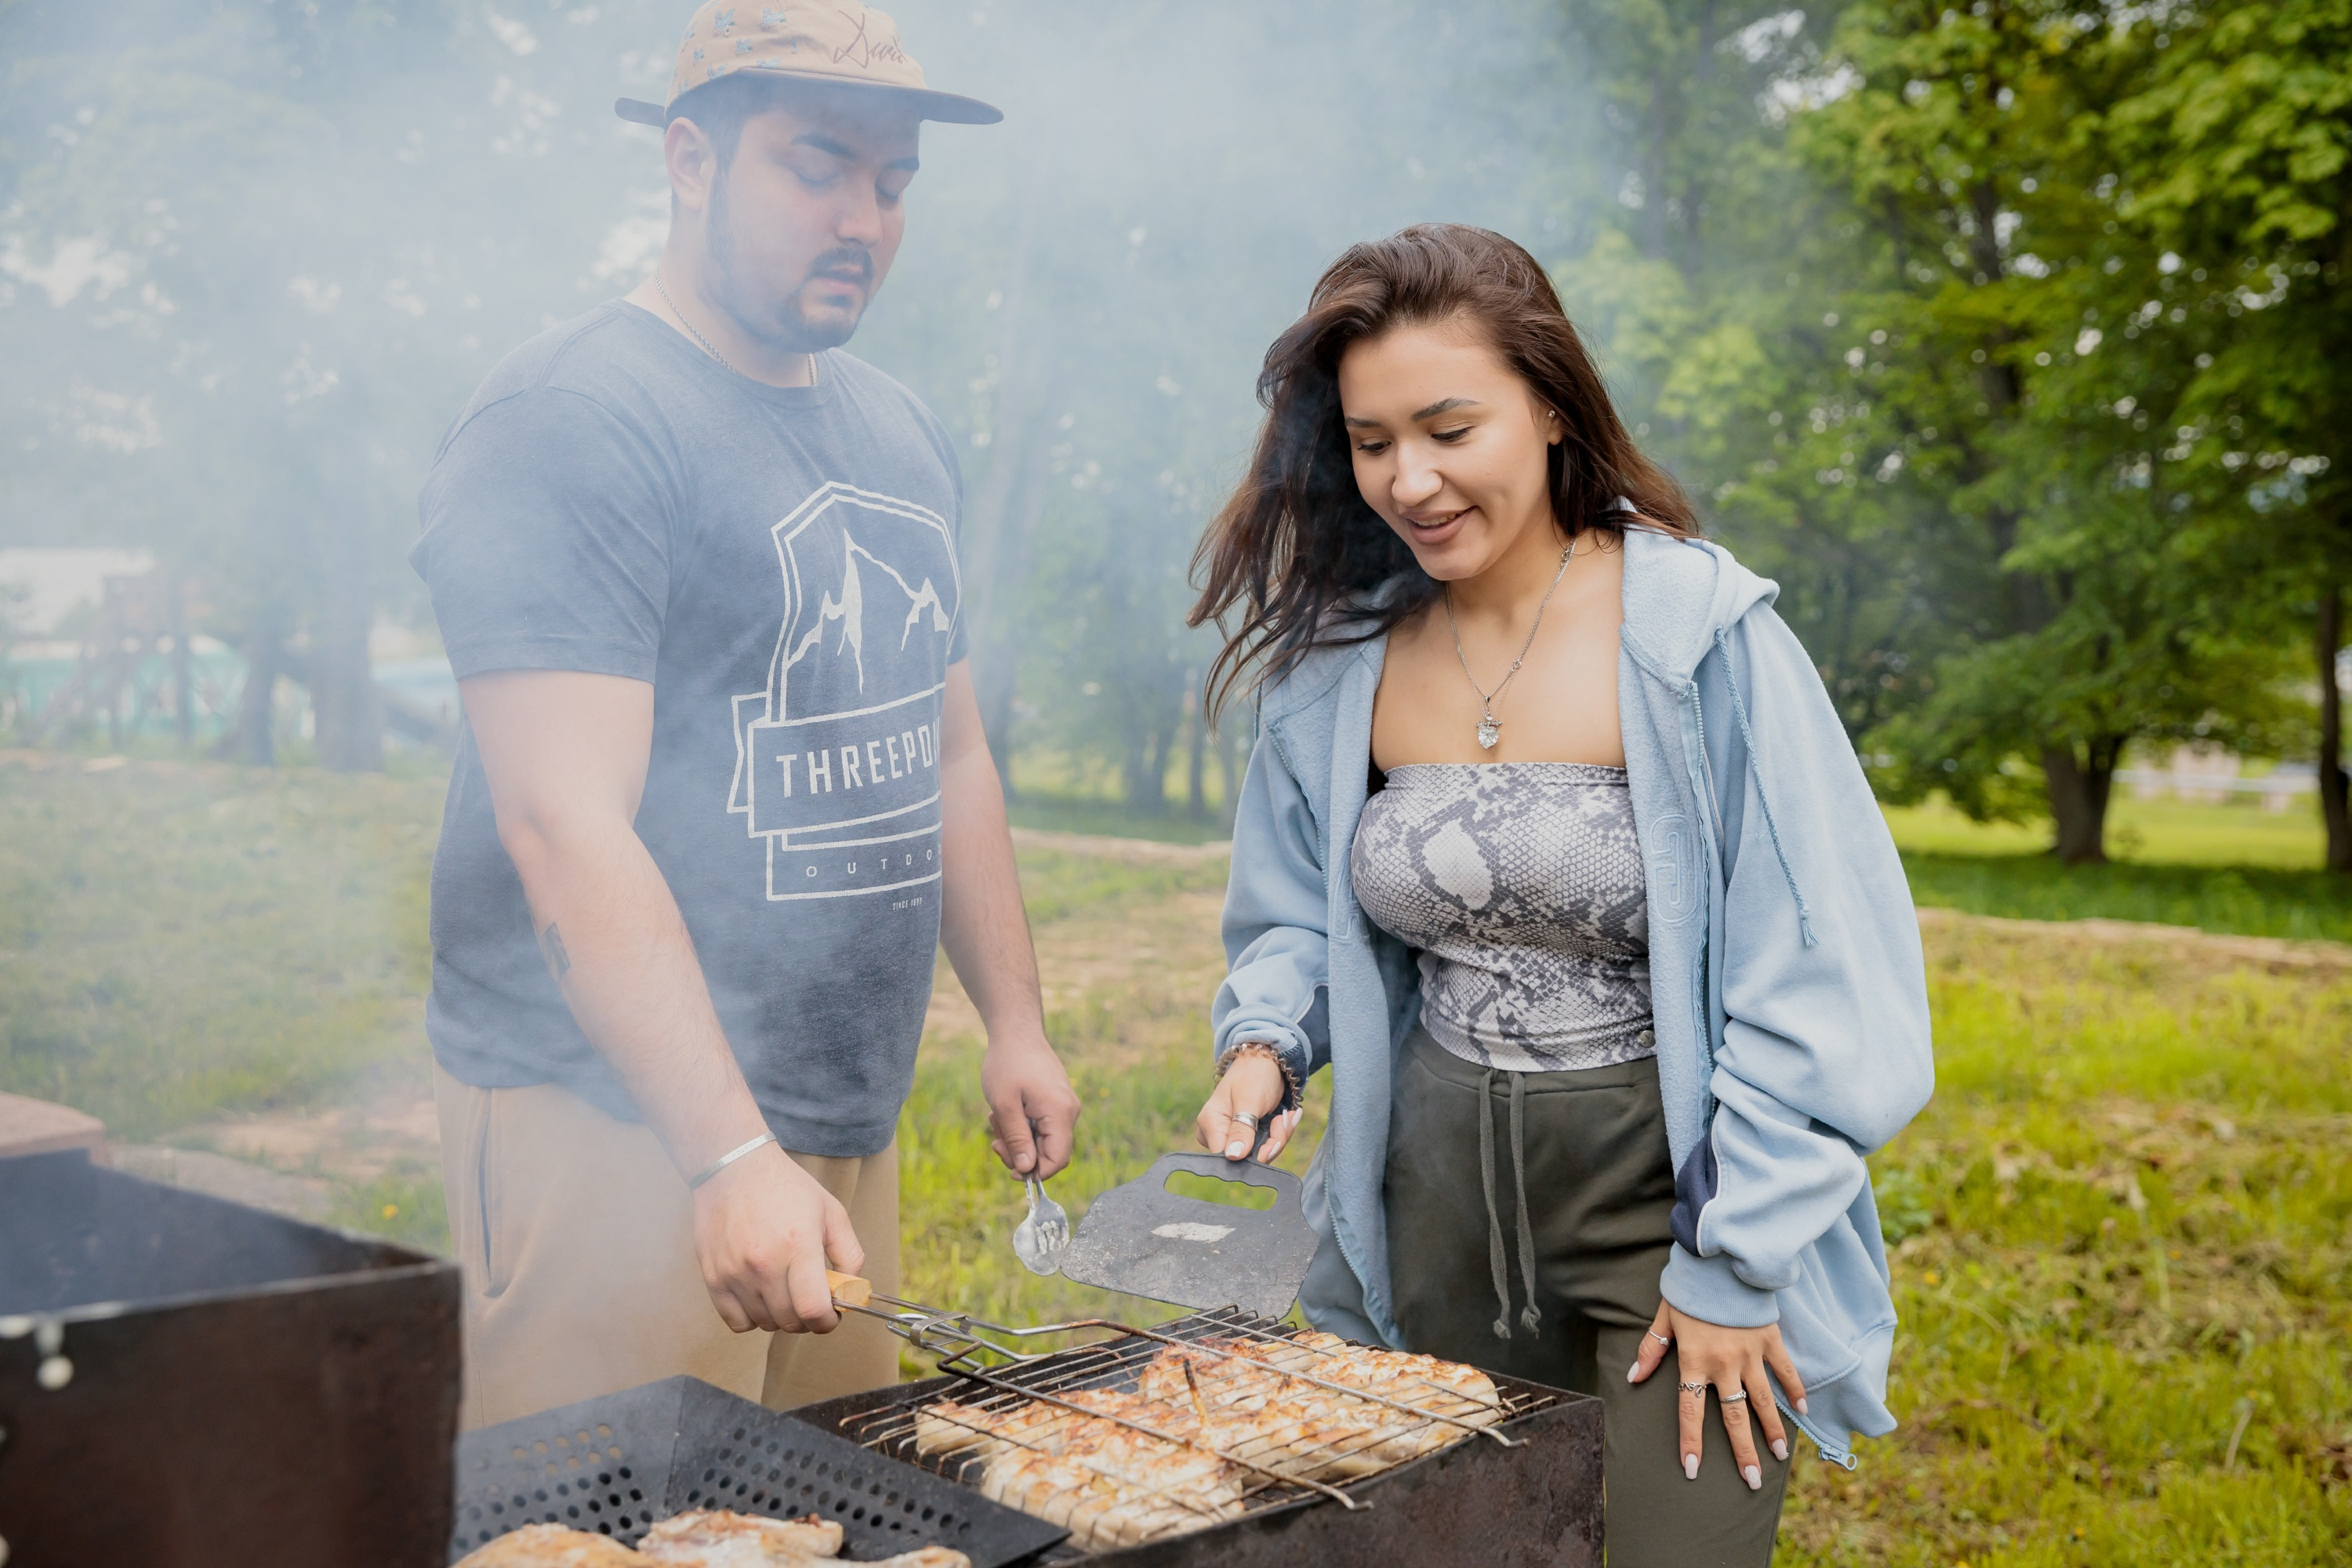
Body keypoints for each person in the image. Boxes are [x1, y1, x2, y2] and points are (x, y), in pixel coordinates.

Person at [1185, 224, 1933, 1566]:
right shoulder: (1340, 666)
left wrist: (1735, 1260)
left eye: (1448, 426)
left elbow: (1823, 974)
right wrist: (1262, 1045)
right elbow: (1297, 909)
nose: (1408, 479)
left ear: (1545, 400)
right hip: (1432, 1220)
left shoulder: (1701, 637)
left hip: (1670, 1225)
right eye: (1370, 443)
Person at [410, 1, 1080, 1431]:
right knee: (606, 1528)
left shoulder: (899, 430)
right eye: (816, 166)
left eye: (893, 184)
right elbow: (559, 822)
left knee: (816, 1509)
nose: (863, 219)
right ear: (691, 160)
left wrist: (1013, 1020)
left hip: (838, 1127)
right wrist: (722, 1160)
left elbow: (948, 751)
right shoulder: (572, 419)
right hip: (614, 1129)